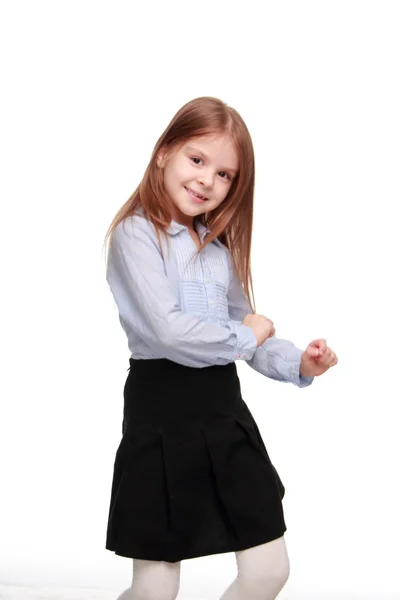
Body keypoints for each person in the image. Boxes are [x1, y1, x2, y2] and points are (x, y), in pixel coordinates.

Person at [103, 96, 338, 600]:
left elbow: (248, 335)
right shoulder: (134, 235)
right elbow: (170, 331)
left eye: (226, 174)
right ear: (164, 151)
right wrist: (246, 335)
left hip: (223, 414)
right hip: (160, 413)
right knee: (155, 589)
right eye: (197, 159)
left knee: (268, 568)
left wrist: (297, 361)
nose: (208, 180)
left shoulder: (217, 249)